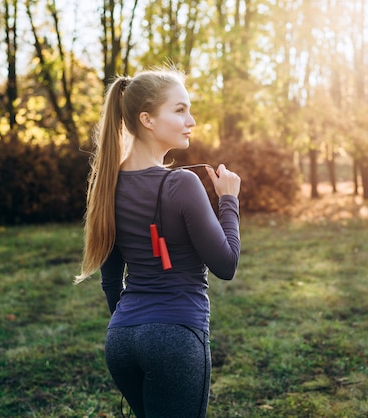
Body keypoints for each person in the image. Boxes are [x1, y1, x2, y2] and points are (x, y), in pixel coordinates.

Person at [75, 68, 241, 418]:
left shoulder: (108, 184)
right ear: (147, 119)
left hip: (121, 341)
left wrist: (136, 328)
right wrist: (229, 199)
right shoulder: (182, 183)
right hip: (176, 339)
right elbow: (226, 265)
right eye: (179, 110)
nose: (191, 120)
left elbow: (110, 282)